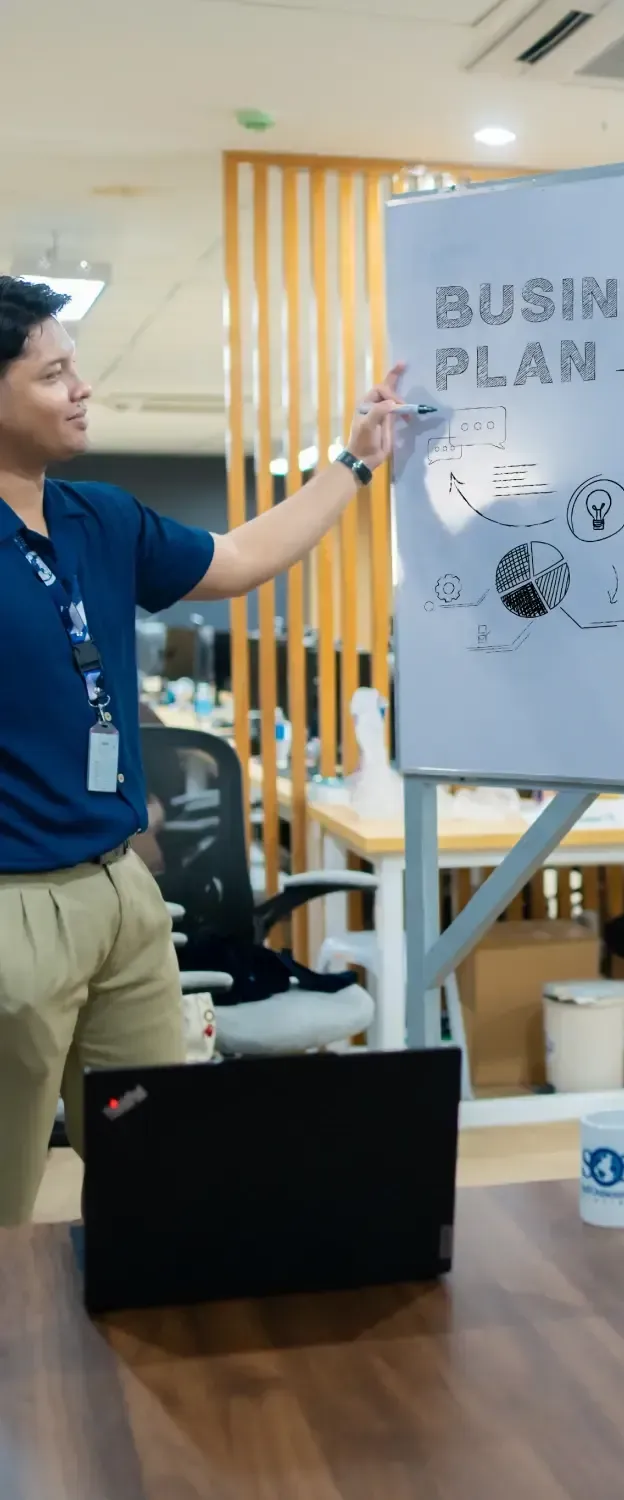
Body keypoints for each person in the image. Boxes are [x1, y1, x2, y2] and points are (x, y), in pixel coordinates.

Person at [0, 275, 407, 1226]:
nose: (80, 388)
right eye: (54, 373)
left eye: (76, 368)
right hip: (12, 906)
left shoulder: (98, 517)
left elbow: (236, 559)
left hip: (121, 896)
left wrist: (352, 462)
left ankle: (145, 1364)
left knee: (157, 1166)